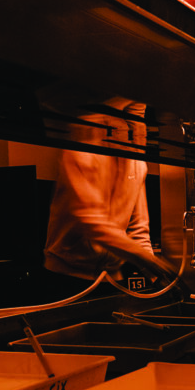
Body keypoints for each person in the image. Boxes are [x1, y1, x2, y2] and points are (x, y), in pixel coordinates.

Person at [41, 98, 180, 299]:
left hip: (110, 278)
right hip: (65, 275)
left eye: (134, 128)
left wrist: (156, 279)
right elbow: (92, 222)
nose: (132, 133)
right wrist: (151, 262)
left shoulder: (136, 163)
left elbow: (139, 229)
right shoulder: (81, 152)